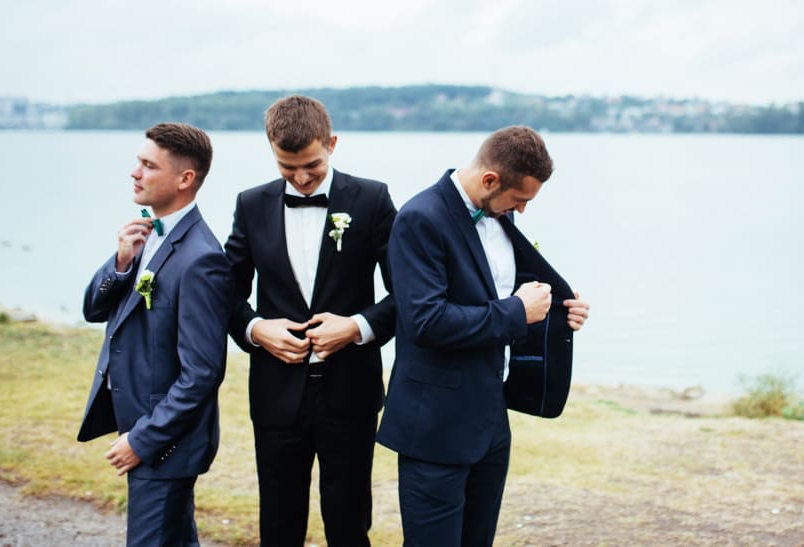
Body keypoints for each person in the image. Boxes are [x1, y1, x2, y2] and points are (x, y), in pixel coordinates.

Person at [376, 125, 590, 546]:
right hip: (435, 425)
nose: (522, 210)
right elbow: (426, 321)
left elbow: (503, 293)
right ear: (490, 180)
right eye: (520, 199)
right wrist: (517, 310)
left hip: (490, 421)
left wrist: (559, 311)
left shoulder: (498, 212)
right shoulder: (420, 219)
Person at [223, 95, 397, 546]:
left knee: (348, 524)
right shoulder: (251, 204)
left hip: (350, 394)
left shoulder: (373, 199)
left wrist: (357, 326)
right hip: (276, 395)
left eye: (312, 167)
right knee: (278, 527)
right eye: (287, 167)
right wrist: (255, 329)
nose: (300, 179)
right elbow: (224, 292)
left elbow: (410, 294)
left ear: (332, 144)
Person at [77, 122, 232, 546]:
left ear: (184, 179)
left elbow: (202, 372)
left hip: (164, 442)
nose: (135, 172)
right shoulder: (147, 235)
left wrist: (143, 440)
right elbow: (93, 309)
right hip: (145, 430)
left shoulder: (202, 260)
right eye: (138, 162)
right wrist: (122, 262)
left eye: (148, 165)